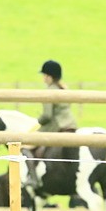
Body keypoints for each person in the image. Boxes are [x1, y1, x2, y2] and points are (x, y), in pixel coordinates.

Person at [27, 60, 78, 188]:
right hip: (71, 126)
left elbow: (47, 116)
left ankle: (33, 179)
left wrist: (37, 121)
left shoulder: (49, 91)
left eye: (44, 75)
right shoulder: (64, 88)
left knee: (26, 146)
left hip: (57, 126)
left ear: (49, 76)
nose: (43, 78)